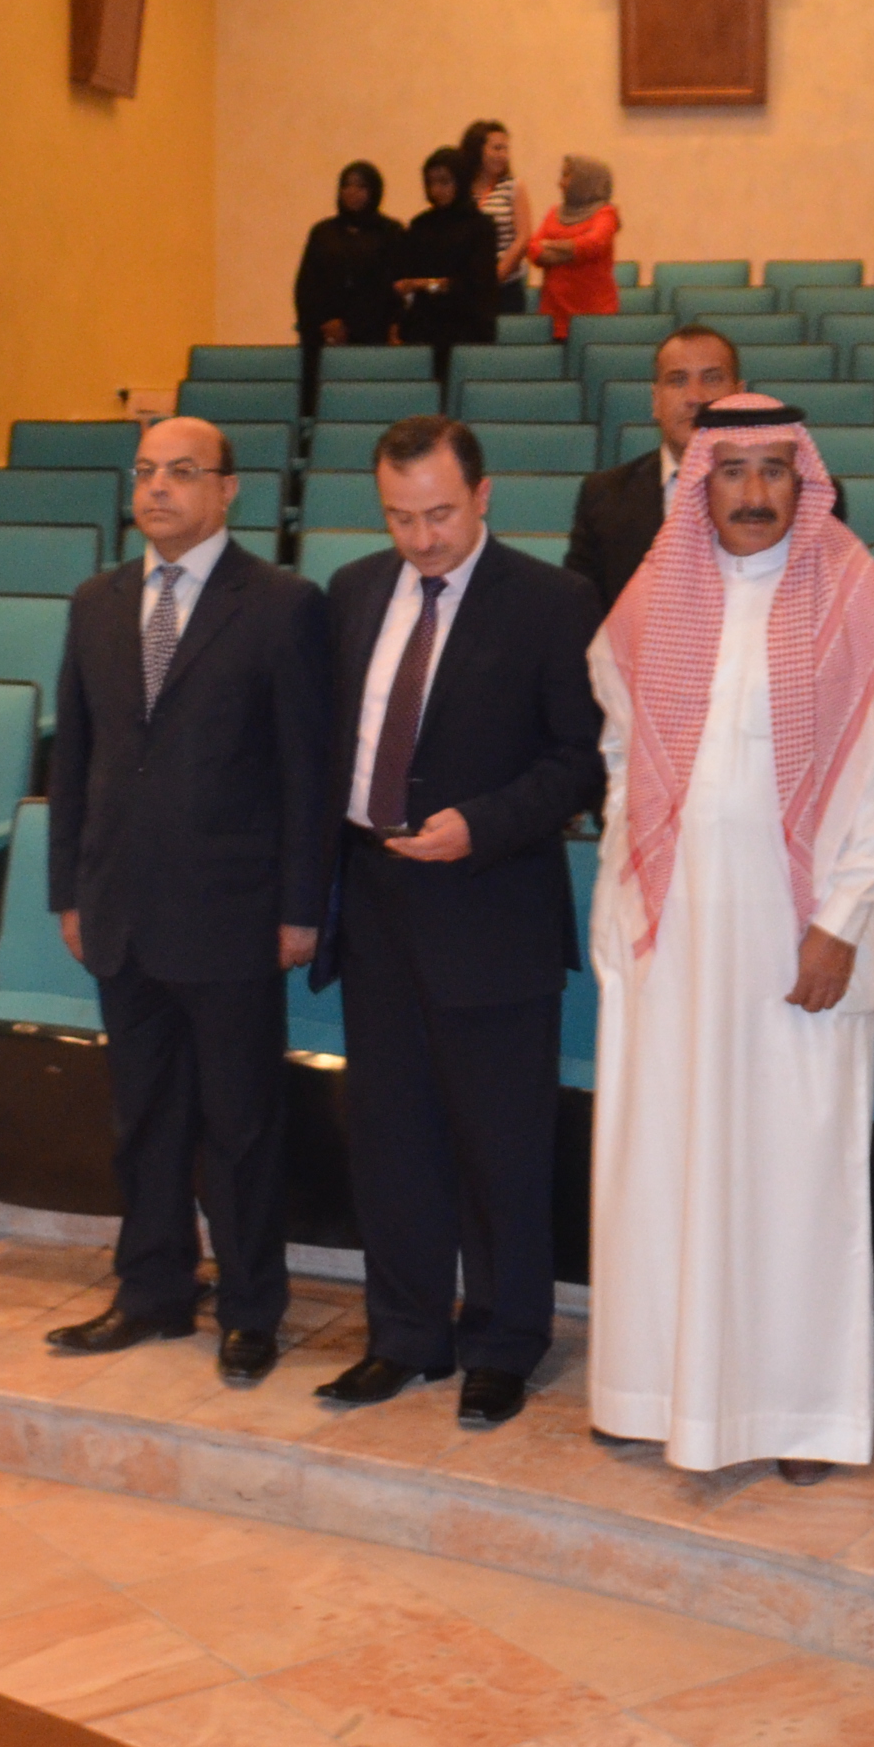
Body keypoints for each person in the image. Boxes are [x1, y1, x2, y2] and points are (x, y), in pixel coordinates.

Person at [585, 399, 874, 1481]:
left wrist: (840, 924)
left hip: (798, 944)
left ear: (803, 480)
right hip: (673, 938)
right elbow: (622, 763)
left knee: (793, 1177)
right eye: (730, 471)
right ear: (700, 485)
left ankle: (798, 1415)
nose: (752, 493)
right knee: (661, 1161)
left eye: (773, 470)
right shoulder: (655, 601)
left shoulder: (857, 603)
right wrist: (623, 905)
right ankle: (651, 1392)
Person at [311, 417, 603, 1428]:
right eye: (400, 517)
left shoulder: (553, 602)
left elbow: (580, 759)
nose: (421, 538)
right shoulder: (353, 591)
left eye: (439, 514)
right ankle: (404, 1335)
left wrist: (481, 825)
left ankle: (504, 1341)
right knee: (390, 1136)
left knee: (500, 1143)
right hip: (375, 900)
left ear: (483, 496)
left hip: (491, 903)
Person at [40, 417, 335, 1384]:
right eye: (146, 472)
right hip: (120, 909)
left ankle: (250, 1309)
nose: (158, 488)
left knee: (241, 1126)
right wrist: (68, 890)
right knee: (143, 1119)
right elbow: (74, 759)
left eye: (181, 471)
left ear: (227, 488)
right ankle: (152, 1291)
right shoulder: (96, 601)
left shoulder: (282, 604)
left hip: (233, 913)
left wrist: (302, 905)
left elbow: (307, 772)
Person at [568, 323, 744, 614]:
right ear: (655, 400)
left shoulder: (790, 496)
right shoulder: (603, 496)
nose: (695, 397)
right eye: (677, 381)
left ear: (740, 395)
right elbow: (580, 614)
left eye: (712, 379)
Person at [292, 161, 402, 389]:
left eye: (361, 186)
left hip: (373, 335)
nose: (352, 192)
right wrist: (325, 322)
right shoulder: (323, 232)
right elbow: (307, 285)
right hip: (324, 337)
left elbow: (390, 286)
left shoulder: (390, 232)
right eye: (347, 185)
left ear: (374, 191)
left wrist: (353, 324)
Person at [392, 149, 501, 369]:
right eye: (431, 182)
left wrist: (427, 285)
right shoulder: (420, 226)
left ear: (460, 181)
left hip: (468, 328)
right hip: (425, 326)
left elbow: (476, 284)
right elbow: (405, 276)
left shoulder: (481, 227)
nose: (436, 190)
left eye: (444, 182)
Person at [531, 155, 622, 339]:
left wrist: (551, 246)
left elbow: (593, 244)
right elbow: (533, 248)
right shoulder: (554, 212)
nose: (560, 183)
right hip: (554, 316)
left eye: (566, 176)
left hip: (595, 317)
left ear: (584, 180)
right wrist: (571, 251)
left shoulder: (606, 214)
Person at [460, 118, 528, 319]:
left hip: (505, 287)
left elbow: (523, 238)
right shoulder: (460, 190)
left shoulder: (513, 186)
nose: (503, 155)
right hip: (466, 287)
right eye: (497, 148)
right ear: (476, 150)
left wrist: (495, 277)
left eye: (506, 149)